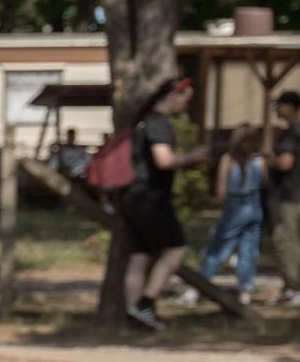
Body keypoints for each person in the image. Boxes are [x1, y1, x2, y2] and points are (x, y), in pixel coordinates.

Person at [117, 77, 210, 332]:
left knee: (140, 254)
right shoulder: (158, 122)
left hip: (131, 195)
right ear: (172, 96)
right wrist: (193, 156)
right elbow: (164, 160)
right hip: (150, 197)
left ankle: (133, 313)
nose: (186, 105)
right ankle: (145, 303)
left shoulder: (142, 121)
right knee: (176, 249)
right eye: (186, 99)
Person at [178, 126, 267, 307]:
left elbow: (221, 192)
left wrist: (218, 204)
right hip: (254, 208)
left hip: (235, 207)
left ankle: (198, 286)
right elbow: (264, 184)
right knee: (248, 250)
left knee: (218, 249)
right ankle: (245, 291)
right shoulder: (259, 161)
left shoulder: (228, 159)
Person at [268, 91, 300, 307]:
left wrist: (269, 157)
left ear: (290, 107)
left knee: (285, 240)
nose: (276, 109)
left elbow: (284, 164)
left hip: (291, 195)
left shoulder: (291, 133)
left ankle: (294, 287)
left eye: (279, 105)